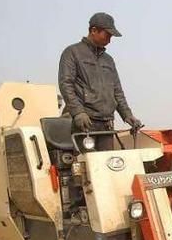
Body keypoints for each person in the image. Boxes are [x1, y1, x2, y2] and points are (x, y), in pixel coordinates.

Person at [58, 12, 143, 150]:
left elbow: (117, 91)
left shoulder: (108, 60)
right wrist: (78, 112)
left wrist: (127, 115)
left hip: (107, 124)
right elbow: (66, 84)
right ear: (93, 30)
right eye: (107, 35)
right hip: (85, 122)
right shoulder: (72, 52)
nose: (110, 40)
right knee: (86, 165)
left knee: (108, 165)